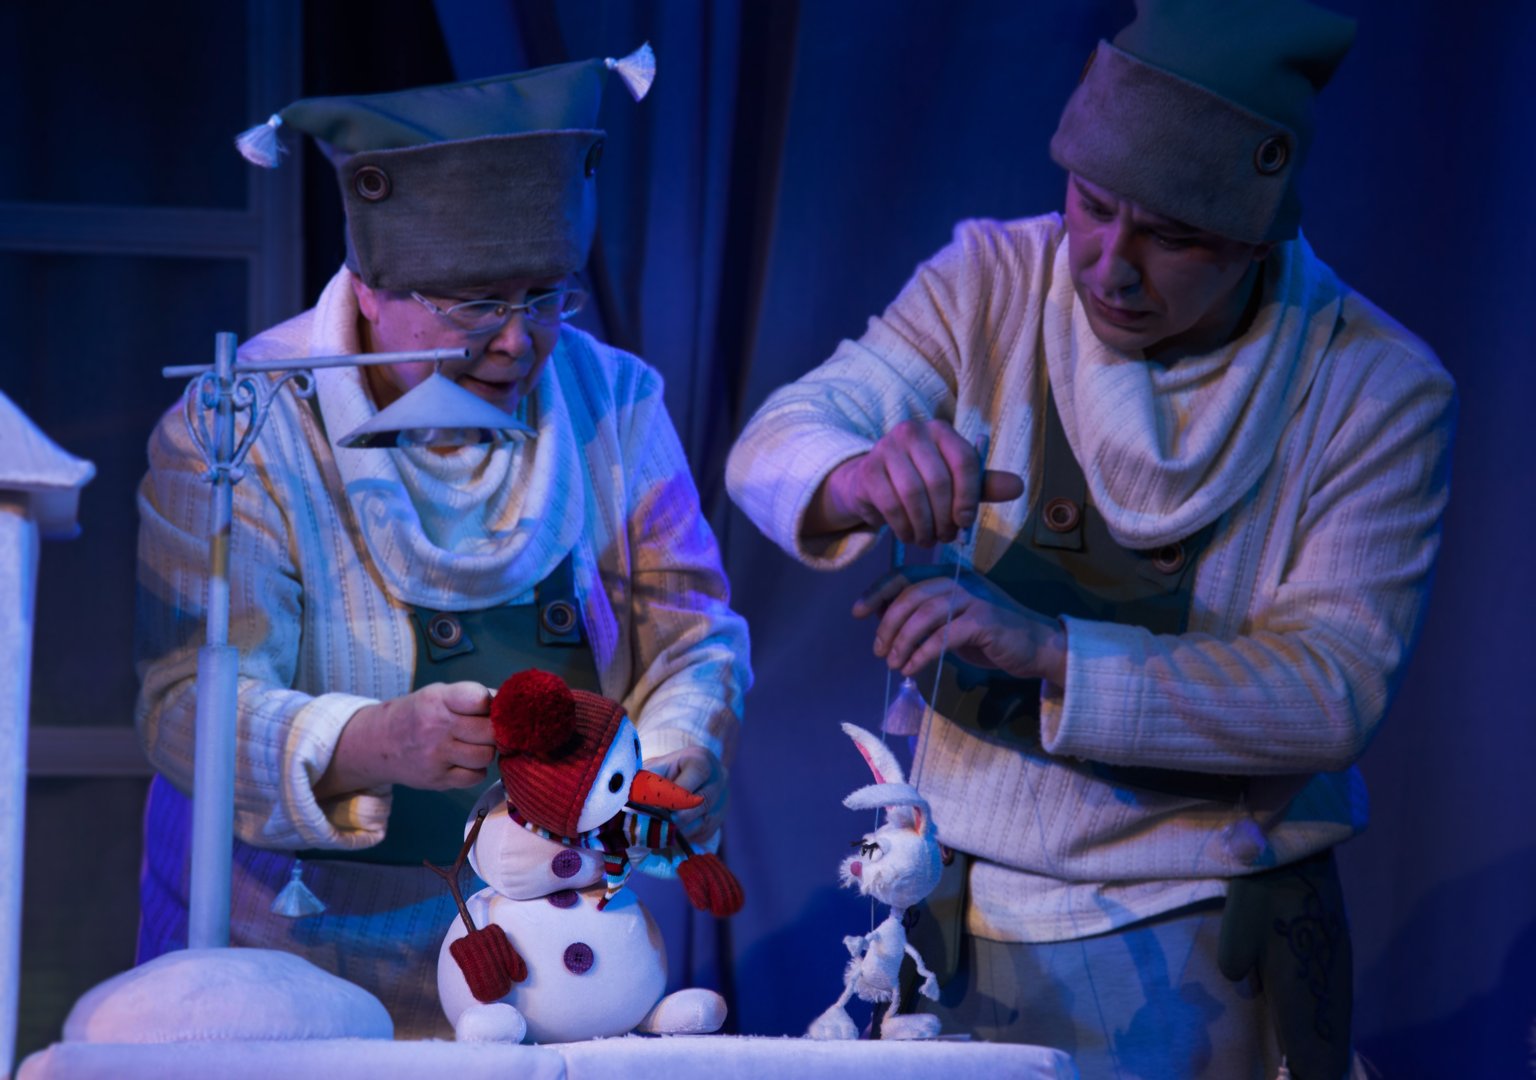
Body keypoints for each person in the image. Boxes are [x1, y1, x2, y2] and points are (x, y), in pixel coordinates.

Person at [726, 2, 1453, 1077]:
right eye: (1093, 206)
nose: (1110, 267)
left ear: (1259, 231)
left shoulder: (1373, 387)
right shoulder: (993, 281)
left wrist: (1053, 651)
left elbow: (1331, 689)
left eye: (1173, 236)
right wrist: (856, 473)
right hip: (957, 901)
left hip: (1197, 922)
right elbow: (775, 443)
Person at [134, 46, 751, 1039]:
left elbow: (691, 635)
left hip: (548, 953)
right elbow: (184, 707)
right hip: (294, 952)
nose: (517, 341)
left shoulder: (612, 398)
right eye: (477, 304)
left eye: (546, 296)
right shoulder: (241, 423)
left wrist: (677, 752)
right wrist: (374, 742)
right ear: (374, 286)